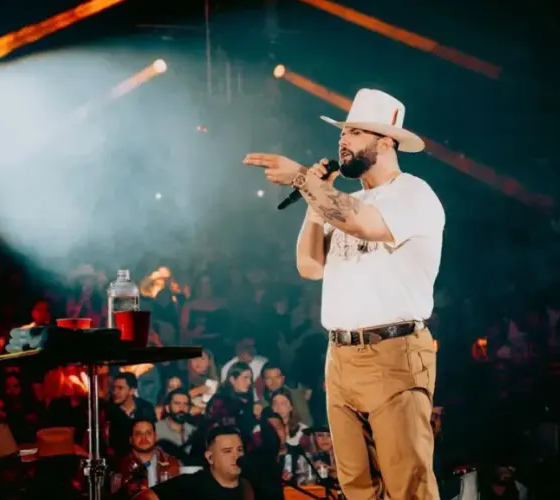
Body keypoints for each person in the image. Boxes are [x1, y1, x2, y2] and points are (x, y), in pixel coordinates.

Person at [244, 88, 444, 499]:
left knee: (408, 484)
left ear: (386, 141)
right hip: (341, 358)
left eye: (355, 132)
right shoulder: (346, 199)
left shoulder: (413, 193)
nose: (343, 140)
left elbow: (366, 225)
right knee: (356, 486)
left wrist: (302, 178)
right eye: (343, 132)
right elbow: (310, 265)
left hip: (392, 354)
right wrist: (312, 195)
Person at [137, 426, 254, 500]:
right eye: (227, 451)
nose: (236, 456)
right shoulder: (191, 483)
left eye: (239, 450)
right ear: (210, 457)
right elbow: (146, 496)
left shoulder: (250, 486)